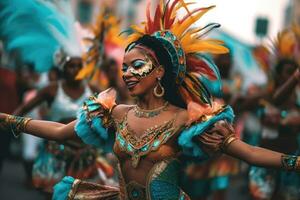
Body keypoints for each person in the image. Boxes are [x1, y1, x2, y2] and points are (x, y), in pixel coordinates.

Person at [1, 1, 300, 199]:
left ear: (159, 72)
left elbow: (248, 153)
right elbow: (58, 131)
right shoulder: (114, 113)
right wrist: (8, 119)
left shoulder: (188, 120)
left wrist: (295, 163)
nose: (127, 73)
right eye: (124, 67)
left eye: (137, 66)